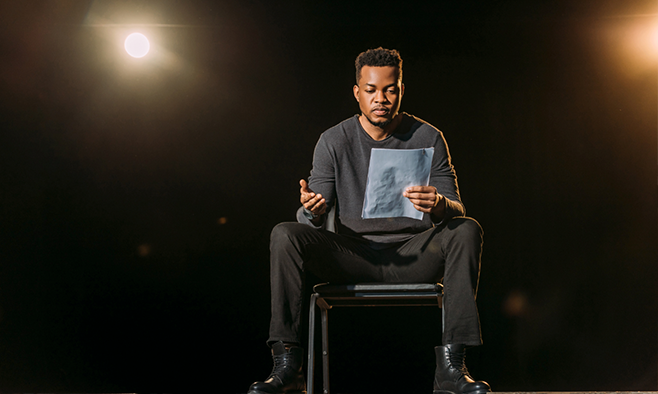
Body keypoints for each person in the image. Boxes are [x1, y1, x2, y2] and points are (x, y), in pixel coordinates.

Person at [247, 47, 490, 394]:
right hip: (353, 256)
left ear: (401, 90)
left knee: (467, 229)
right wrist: (312, 211)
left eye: (390, 89)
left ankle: (452, 368)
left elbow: (457, 208)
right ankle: (288, 366)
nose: (382, 99)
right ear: (357, 93)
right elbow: (311, 212)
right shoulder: (334, 140)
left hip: (413, 256)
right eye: (372, 90)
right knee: (285, 234)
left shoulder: (428, 137)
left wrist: (438, 204)